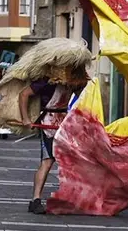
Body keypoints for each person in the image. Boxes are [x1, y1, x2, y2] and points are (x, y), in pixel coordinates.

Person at [19, 68, 88, 214]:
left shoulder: (72, 80)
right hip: (49, 121)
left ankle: (73, 197)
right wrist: (26, 118)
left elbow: (81, 94)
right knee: (47, 161)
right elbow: (24, 94)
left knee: (72, 160)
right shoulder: (46, 80)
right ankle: (35, 200)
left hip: (65, 122)